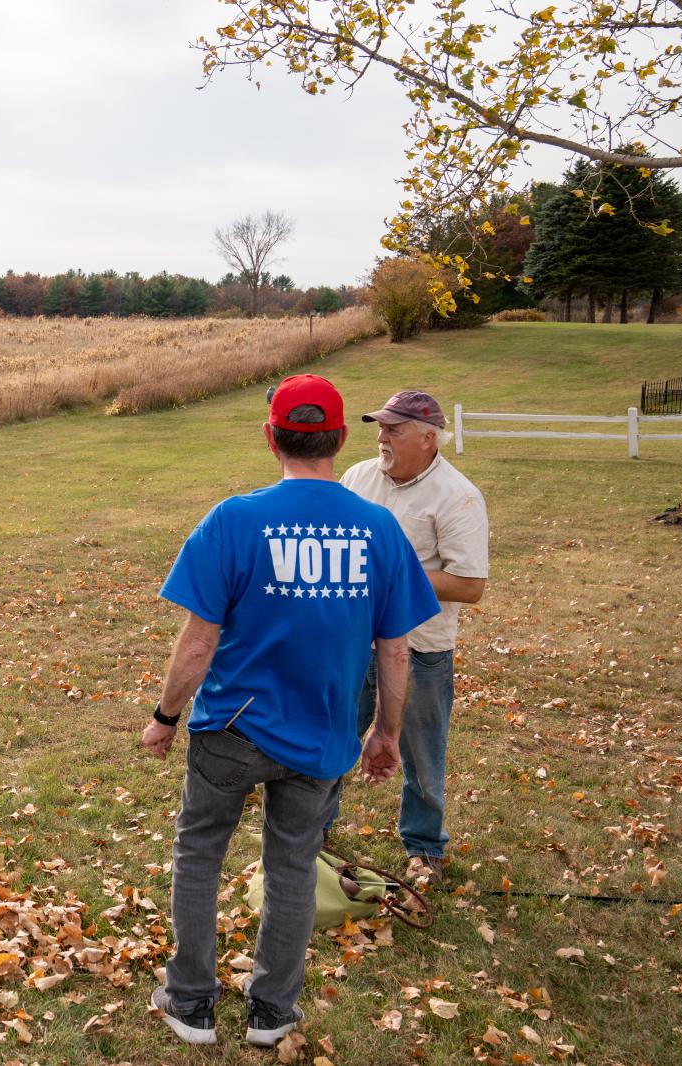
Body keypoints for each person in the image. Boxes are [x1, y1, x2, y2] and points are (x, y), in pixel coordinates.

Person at [140, 373, 438, 1047]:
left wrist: (165, 715)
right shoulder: (379, 530)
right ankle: (271, 1012)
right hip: (323, 734)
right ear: (337, 439)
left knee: (199, 855)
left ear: (272, 437)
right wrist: (385, 732)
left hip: (230, 728)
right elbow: (396, 652)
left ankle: (191, 1002)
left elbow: (197, 642)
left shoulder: (234, 520)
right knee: (293, 866)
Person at [334, 390, 489, 886]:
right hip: (352, 641)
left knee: (423, 752)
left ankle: (424, 849)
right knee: (332, 735)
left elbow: (470, 585)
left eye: (393, 430)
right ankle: (309, 829)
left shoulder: (457, 495)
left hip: (422, 647)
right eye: (380, 428)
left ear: (428, 439)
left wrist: (392, 575)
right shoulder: (357, 478)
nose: (381, 438)